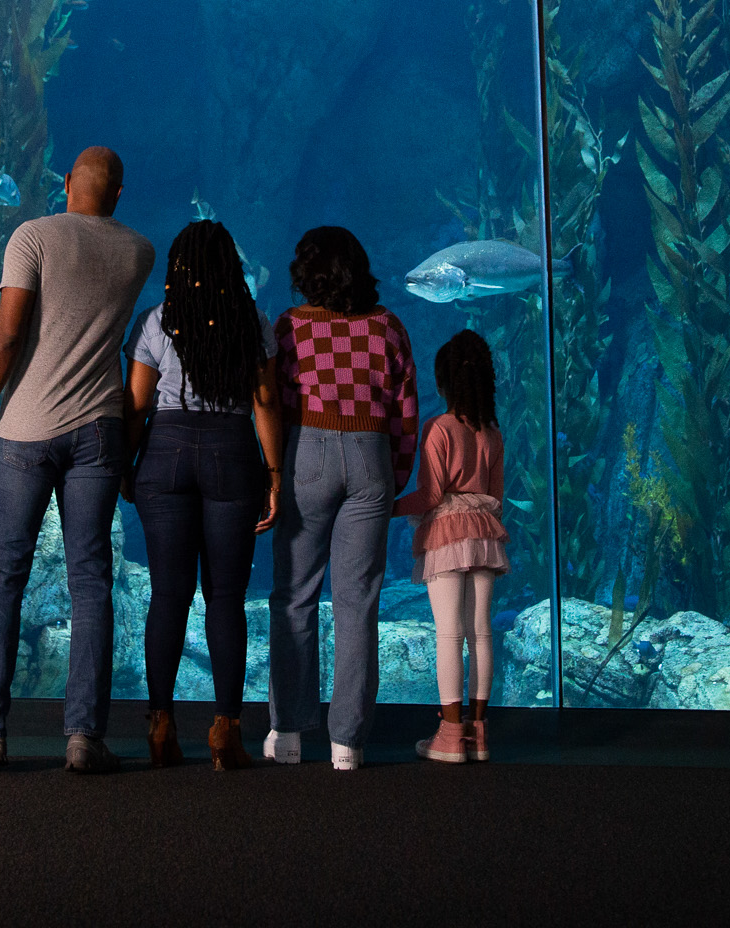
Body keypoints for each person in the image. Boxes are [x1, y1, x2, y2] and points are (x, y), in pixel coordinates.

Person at [0, 146, 155, 774]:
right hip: (100, 429)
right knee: (91, 581)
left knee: (4, 576)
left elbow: (9, 333)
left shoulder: (31, 235)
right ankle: (84, 737)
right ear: (119, 194)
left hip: (26, 429)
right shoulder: (138, 250)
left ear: (65, 184)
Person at [121, 221, 288, 771]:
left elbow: (139, 403)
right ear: (229, 266)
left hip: (165, 451)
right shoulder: (253, 322)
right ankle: (224, 730)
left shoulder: (155, 321)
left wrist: (126, 463)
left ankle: (161, 723)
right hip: (230, 452)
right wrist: (274, 473)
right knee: (225, 597)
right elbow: (264, 400)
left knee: (168, 595)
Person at [265, 225, 418, 771]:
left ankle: (287, 730)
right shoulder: (389, 328)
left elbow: (276, 403)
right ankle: (347, 742)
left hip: (308, 450)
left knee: (294, 595)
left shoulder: (289, 327)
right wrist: (393, 478)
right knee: (358, 603)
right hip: (372, 457)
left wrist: (274, 473)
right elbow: (405, 413)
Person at [398, 330, 510, 764]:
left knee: (449, 633)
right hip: (485, 535)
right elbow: (496, 498)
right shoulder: (493, 434)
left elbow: (429, 497)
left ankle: (449, 735)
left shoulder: (440, 428)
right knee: (480, 631)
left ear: (443, 383)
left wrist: (382, 507)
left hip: (446, 535)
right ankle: (479, 734)